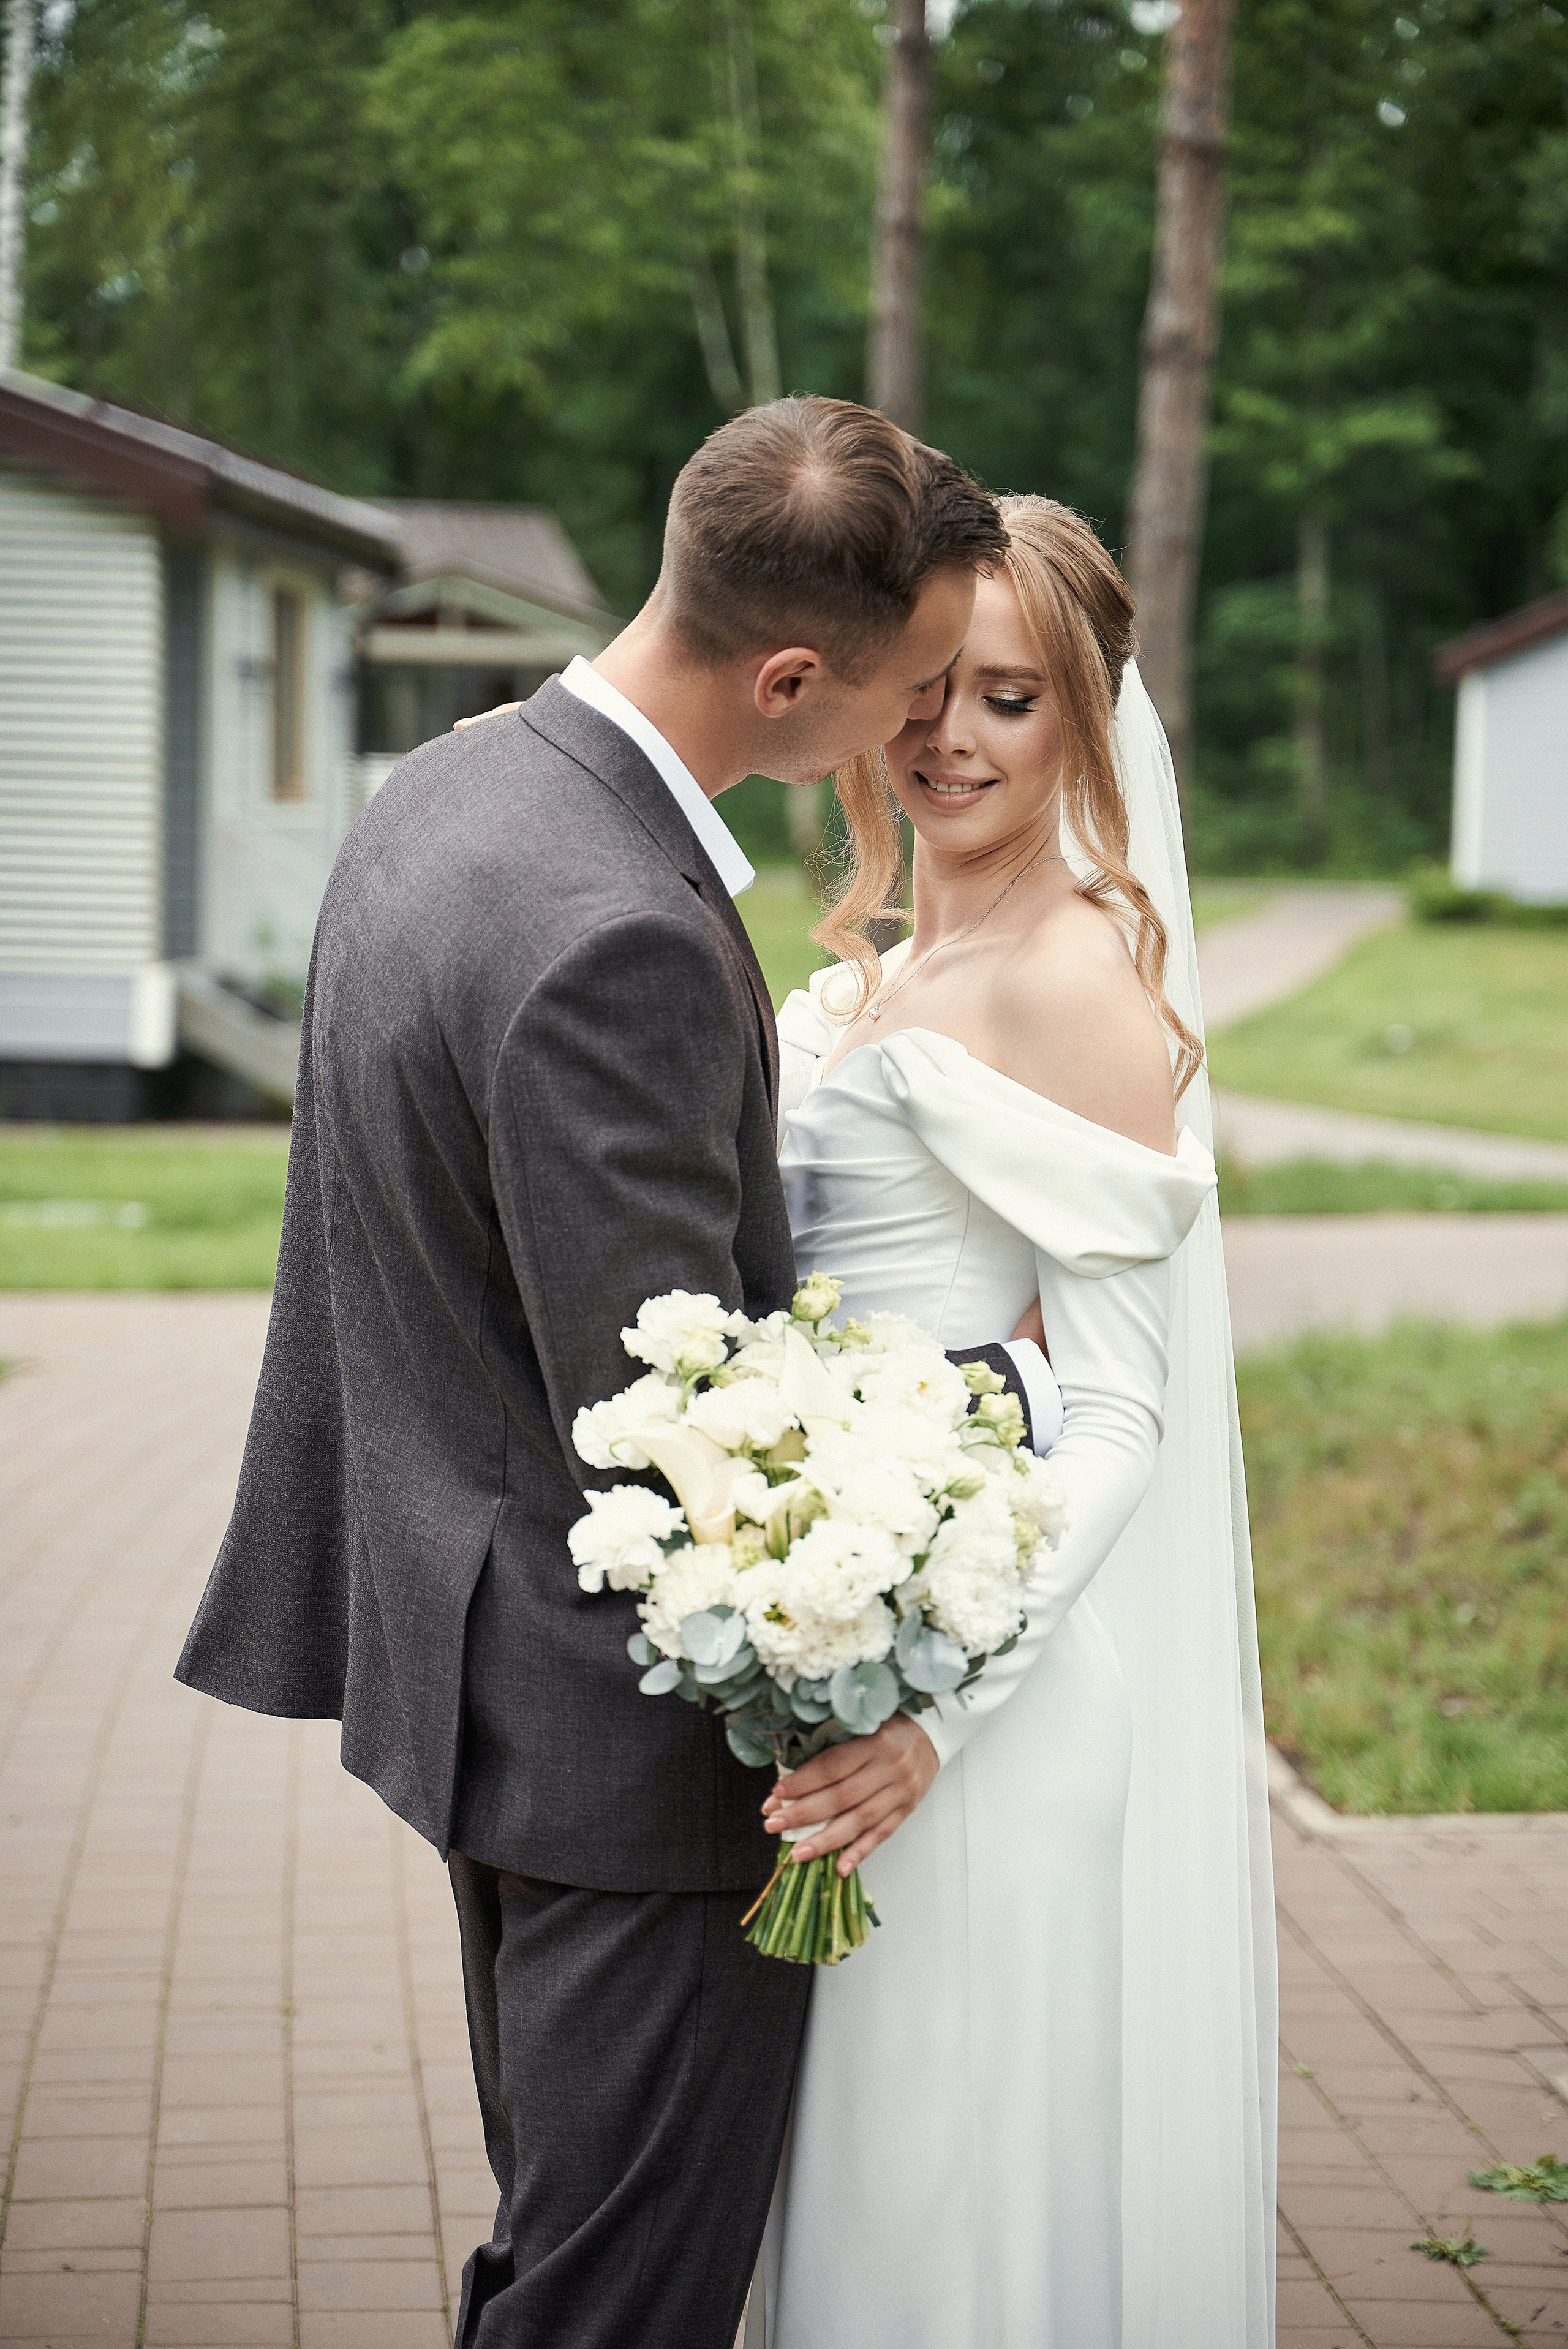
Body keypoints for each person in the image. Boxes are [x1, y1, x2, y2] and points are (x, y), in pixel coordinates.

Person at [172, 396, 1057, 2349]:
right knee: (610, 2300)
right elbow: (681, 1434)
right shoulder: (618, 936)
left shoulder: (454, 789)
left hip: (476, 1677)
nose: (908, 743)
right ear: (796, 673)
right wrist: (1004, 1418)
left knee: (563, 2243)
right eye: (901, 691)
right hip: (632, 1764)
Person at [747, 497, 1277, 2347]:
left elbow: (1122, 1408)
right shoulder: (881, 969)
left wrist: (934, 1722)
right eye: (925, 687)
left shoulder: (1071, 978)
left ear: (1085, 725)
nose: (946, 737)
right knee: (866, 2211)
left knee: (953, 2230)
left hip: (982, 1722)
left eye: (1010, 700)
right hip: (843, 1674)